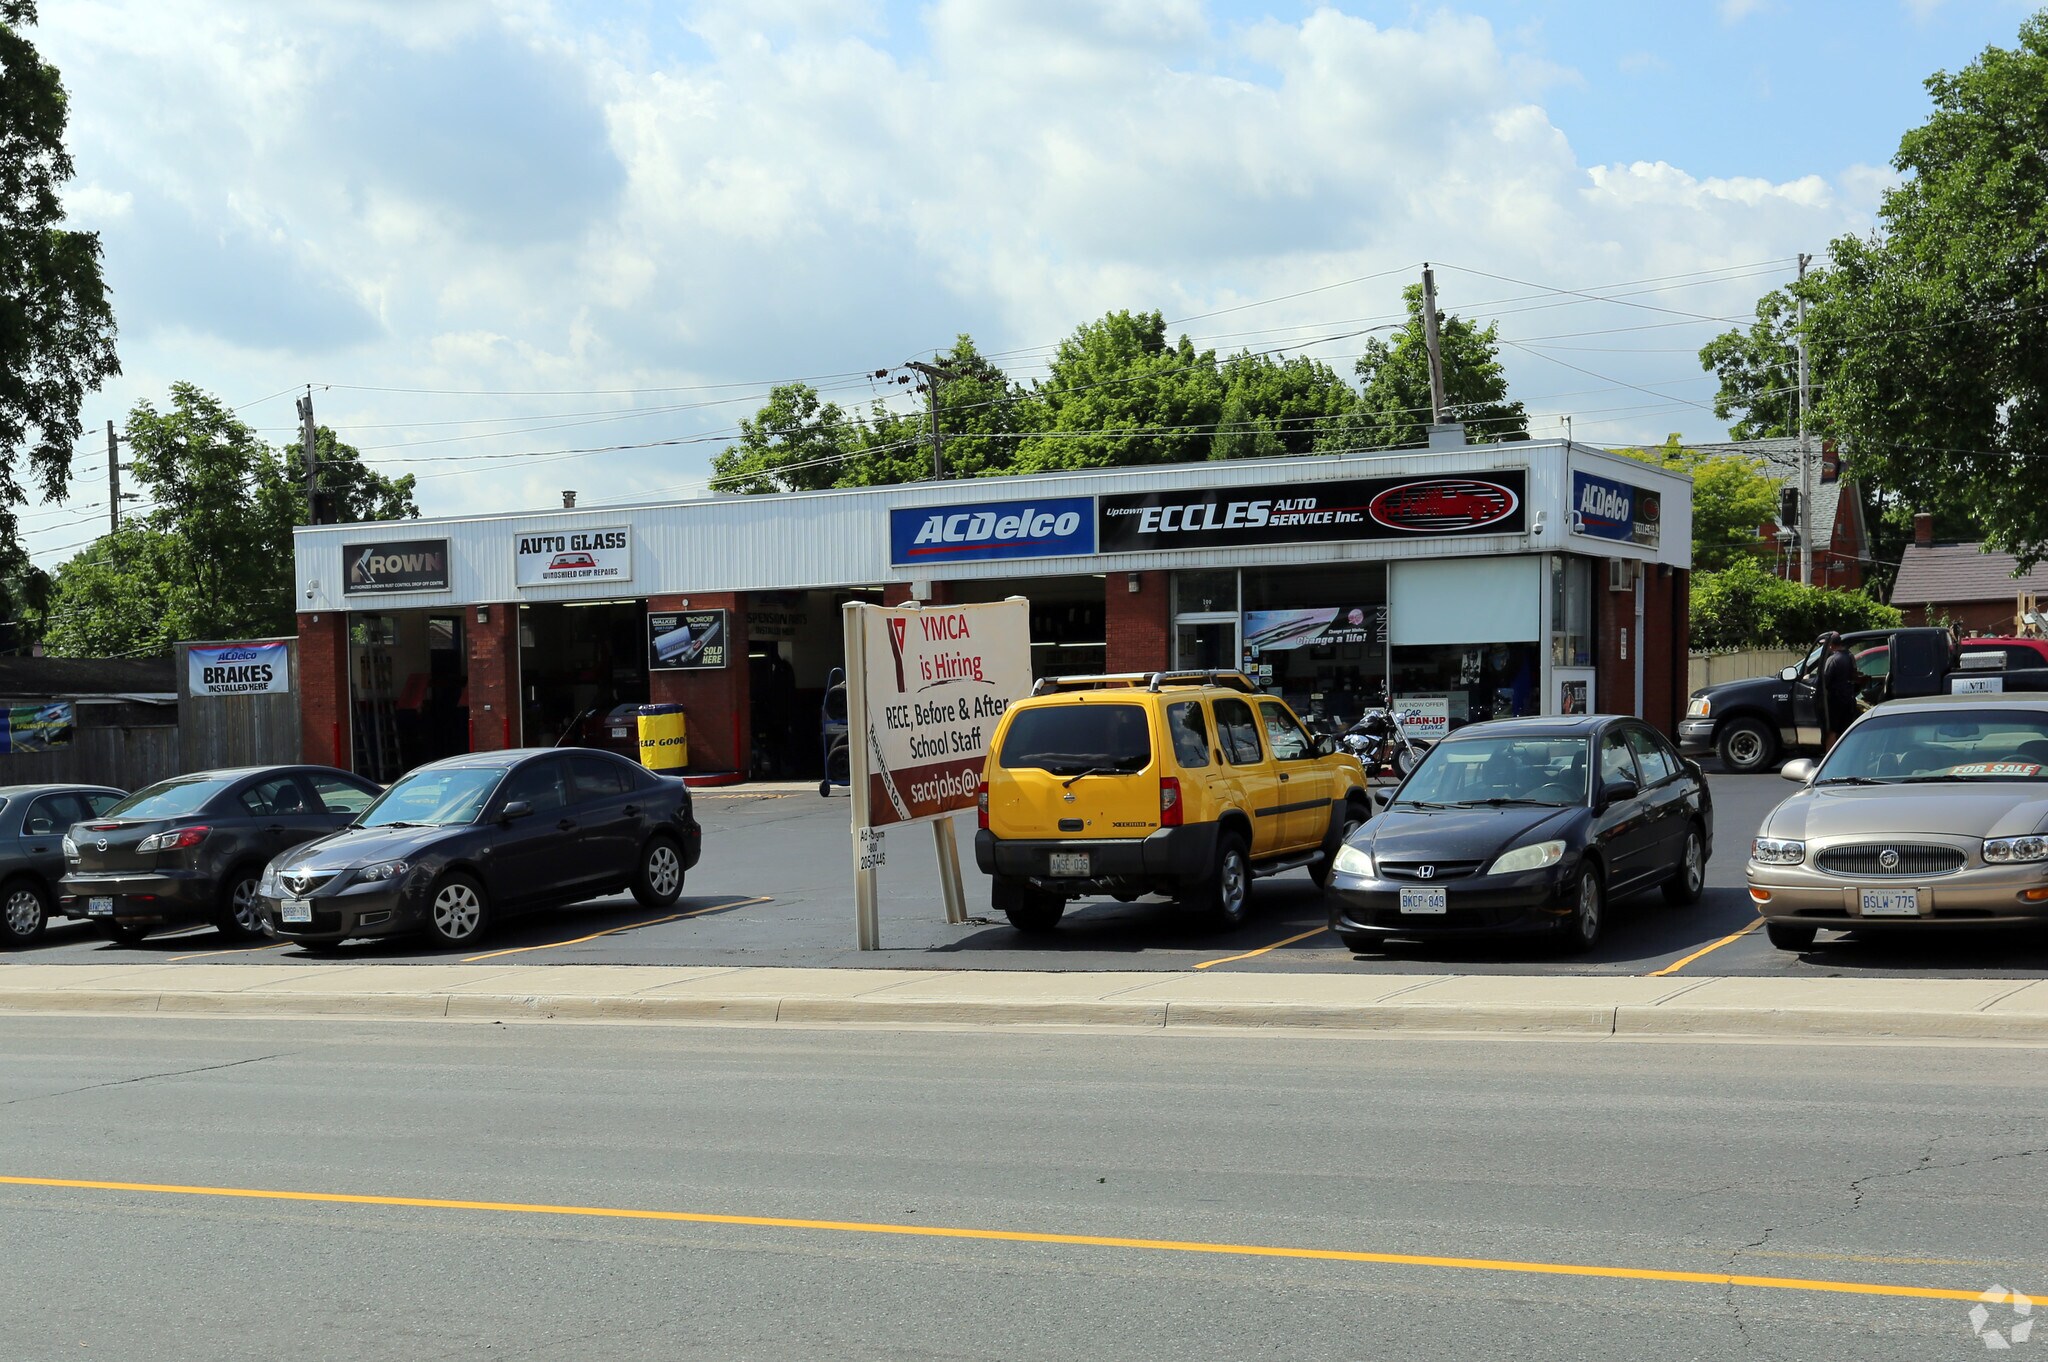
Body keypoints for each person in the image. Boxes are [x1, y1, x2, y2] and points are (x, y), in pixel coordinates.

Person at [1818, 631, 1859, 751]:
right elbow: (1854, 675)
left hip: (1835, 701)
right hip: (1848, 699)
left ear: (1831, 645)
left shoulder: (1832, 660)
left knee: (1832, 731)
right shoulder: (1850, 656)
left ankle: (1829, 756)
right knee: (1846, 730)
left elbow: (1824, 680)